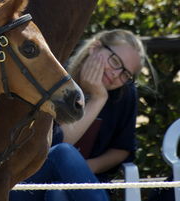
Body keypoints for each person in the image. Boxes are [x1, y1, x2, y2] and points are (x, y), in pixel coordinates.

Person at [9, 29, 147, 201]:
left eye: (126, 74)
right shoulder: (55, 81)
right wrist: (97, 98)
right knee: (62, 153)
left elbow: (122, 149)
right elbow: (56, 143)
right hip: (29, 181)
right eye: (115, 61)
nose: (115, 74)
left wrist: (84, 168)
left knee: (58, 196)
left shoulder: (124, 94)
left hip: (83, 186)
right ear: (95, 48)